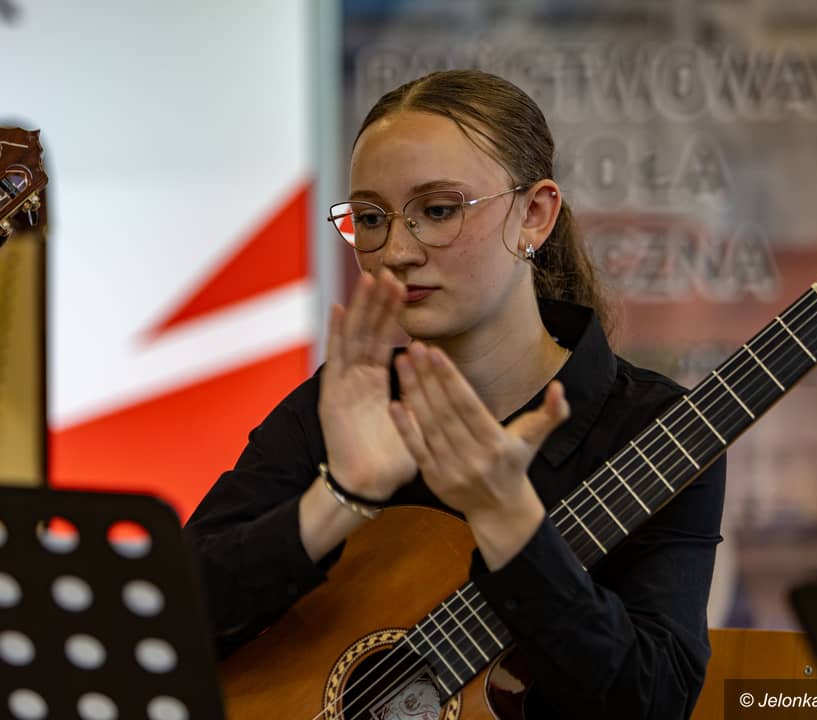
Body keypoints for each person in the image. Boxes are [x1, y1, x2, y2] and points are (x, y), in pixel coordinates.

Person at [184, 69, 725, 719]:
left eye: (438, 211)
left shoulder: (656, 429)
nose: (395, 251)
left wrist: (509, 523)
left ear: (534, 215)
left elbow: (654, 702)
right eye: (370, 219)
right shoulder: (341, 404)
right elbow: (170, 622)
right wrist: (342, 497)